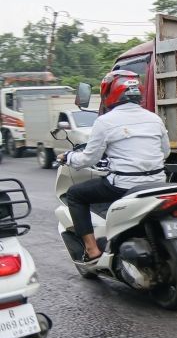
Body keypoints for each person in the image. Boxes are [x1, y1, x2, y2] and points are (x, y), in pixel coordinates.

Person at [58, 70, 170, 263]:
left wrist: (68, 157)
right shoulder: (154, 118)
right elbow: (165, 152)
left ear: (109, 93)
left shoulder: (104, 121)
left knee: (75, 195)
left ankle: (92, 250)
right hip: (157, 181)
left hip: (124, 185)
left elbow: (88, 160)